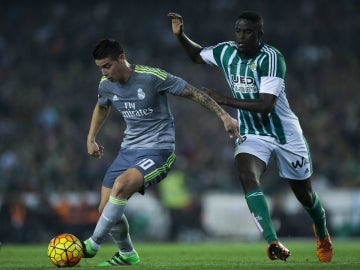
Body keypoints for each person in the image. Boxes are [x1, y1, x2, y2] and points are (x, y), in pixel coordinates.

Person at [168, 11, 333, 263]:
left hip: (285, 135)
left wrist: (223, 99)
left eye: (248, 32)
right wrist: (181, 36)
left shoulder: (271, 58)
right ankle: (273, 241)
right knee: (247, 174)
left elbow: (266, 104)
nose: (242, 37)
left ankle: (322, 234)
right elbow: (196, 54)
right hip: (252, 134)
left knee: (305, 196)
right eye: (238, 31)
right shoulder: (226, 52)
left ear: (259, 35)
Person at [82, 38, 240, 266]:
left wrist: (224, 116)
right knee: (105, 207)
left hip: (158, 150)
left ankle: (93, 243)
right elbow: (101, 105)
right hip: (128, 151)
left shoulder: (152, 77)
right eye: (100, 68)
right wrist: (91, 138)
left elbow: (193, 93)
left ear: (121, 58)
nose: (104, 72)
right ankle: (127, 254)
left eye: (107, 65)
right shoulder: (105, 84)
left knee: (121, 186)